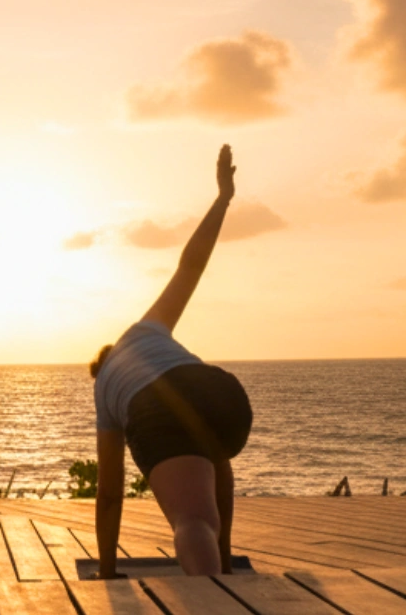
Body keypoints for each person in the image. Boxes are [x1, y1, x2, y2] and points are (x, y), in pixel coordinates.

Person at [90, 145, 252, 578]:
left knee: (191, 520)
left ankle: (213, 601)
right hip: (221, 395)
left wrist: (107, 571)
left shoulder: (106, 386)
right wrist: (223, 198)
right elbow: (190, 267)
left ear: (100, 365)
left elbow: (109, 494)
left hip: (162, 408)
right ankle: (224, 563)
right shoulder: (148, 328)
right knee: (209, 450)